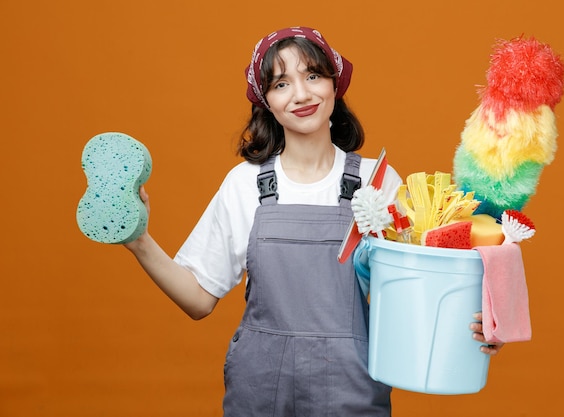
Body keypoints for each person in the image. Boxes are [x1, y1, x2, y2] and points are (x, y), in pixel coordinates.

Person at [125, 26, 502, 416]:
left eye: (313, 76)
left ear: (334, 85)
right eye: (281, 84)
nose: (301, 94)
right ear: (266, 101)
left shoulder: (377, 183)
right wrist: (139, 241)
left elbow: (420, 292)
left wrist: (480, 325)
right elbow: (199, 299)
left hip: (351, 390)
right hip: (260, 390)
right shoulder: (246, 185)